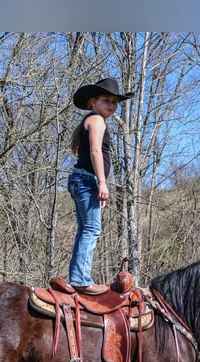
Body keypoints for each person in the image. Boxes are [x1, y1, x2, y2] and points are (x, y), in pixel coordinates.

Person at [67, 78, 134, 295]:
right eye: (106, 100)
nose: (112, 105)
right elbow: (96, 151)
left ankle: (78, 277)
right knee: (91, 230)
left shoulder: (92, 120)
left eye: (115, 102)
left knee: (85, 231)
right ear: (93, 102)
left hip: (83, 180)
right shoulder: (96, 120)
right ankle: (80, 279)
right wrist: (102, 183)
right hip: (87, 180)